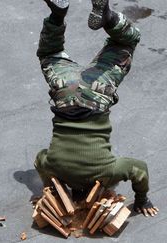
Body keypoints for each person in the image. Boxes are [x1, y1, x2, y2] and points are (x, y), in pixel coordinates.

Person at [34, 0, 159, 217]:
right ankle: (57, 14)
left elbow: (139, 170)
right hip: (66, 90)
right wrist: (52, 187)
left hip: (97, 92)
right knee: (50, 55)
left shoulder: (108, 172)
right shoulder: (54, 167)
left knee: (128, 41)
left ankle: (108, 17)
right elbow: (39, 158)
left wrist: (142, 199)